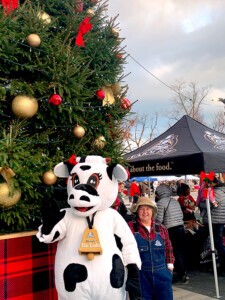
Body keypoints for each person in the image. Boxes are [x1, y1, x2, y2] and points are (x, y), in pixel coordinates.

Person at [128, 197, 174, 300]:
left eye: (148, 209)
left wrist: (170, 267)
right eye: (141, 209)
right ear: (137, 211)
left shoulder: (161, 228)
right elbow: (125, 250)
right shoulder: (130, 227)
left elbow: (168, 247)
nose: (145, 212)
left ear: (152, 211)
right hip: (141, 277)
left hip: (162, 276)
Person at [155, 184, 189, 284]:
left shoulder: (161, 203)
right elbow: (181, 215)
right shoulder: (174, 201)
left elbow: (159, 220)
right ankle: (183, 274)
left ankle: (177, 275)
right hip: (180, 228)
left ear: (160, 193)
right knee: (180, 252)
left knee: (173, 253)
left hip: (171, 230)